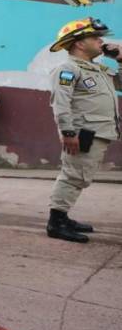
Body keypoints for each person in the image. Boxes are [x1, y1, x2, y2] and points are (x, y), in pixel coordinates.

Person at [46, 17, 122, 243]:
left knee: (81, 176)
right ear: (79, 43)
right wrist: (68, 132)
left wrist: (120, 59)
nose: (101, 41)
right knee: (73, 176)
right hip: (83, 134)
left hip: (99, 132)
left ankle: (62, 217)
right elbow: (60, 103)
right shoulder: (68, 69)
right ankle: (56, 223)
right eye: (95, 37)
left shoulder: (98, 69)